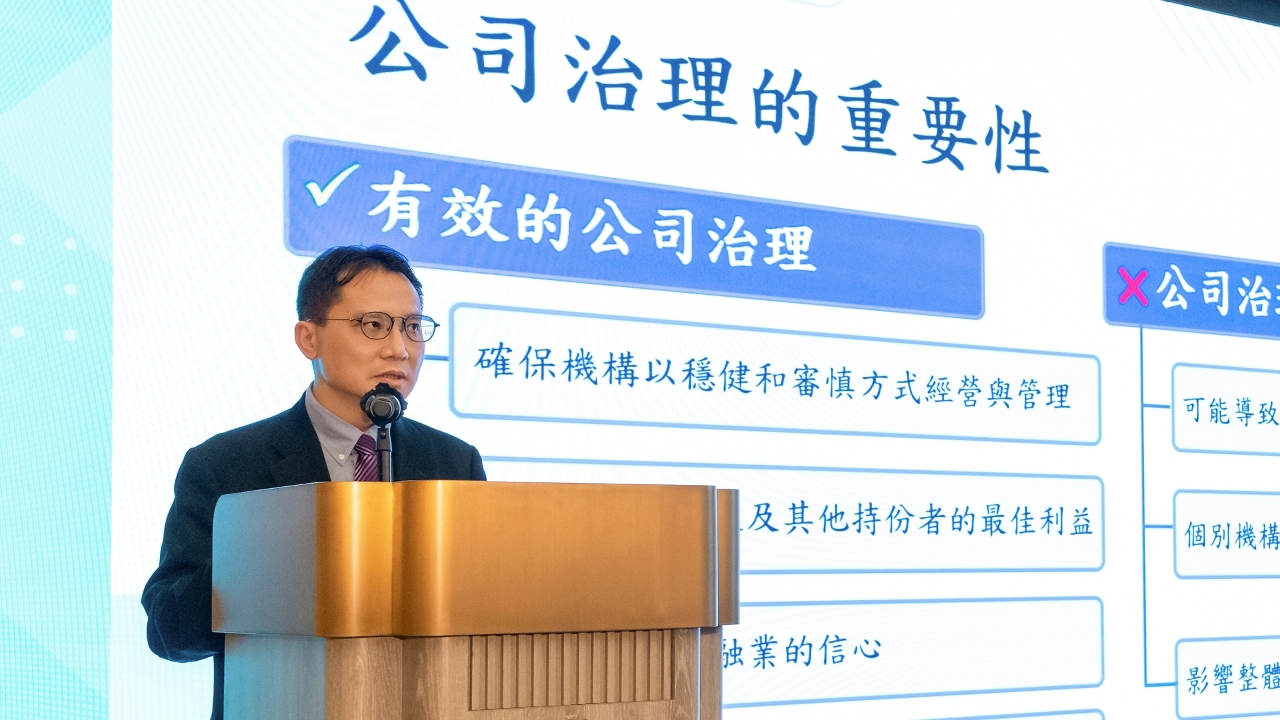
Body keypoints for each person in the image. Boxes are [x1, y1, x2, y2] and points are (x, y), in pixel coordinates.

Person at [141, 245, 485, 720]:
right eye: (374, 325)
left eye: (411, 327)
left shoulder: (453, 462)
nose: (399, 349)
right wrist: (260, 558)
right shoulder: (226, 464)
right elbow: (169, 633)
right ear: (308, 338)